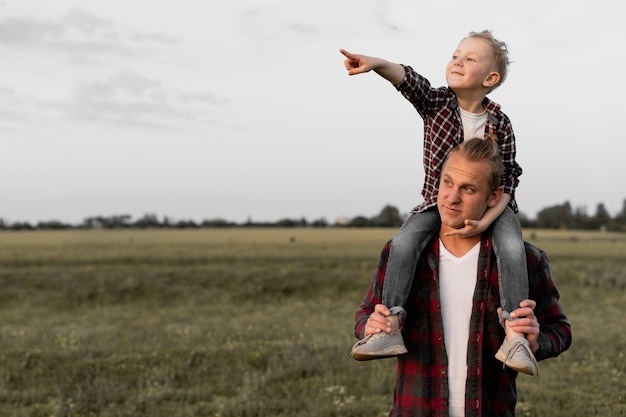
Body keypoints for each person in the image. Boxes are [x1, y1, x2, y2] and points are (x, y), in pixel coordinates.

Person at [341, 30, 533, 373]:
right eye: (456, 55)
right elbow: (408, 81)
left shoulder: (500, 123)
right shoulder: (437, 104)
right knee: (403, 243)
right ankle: (390, 327)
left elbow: (509, 180)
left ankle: (515, 335)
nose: (457, 61)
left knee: (512, 247)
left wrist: (486, 221)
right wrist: (376, 64)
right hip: (436, 202)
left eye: (469, 58)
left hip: (493, 207)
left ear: (491, 78)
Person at [352, 137, 572, 417]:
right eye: (447, 182)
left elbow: (561, 329)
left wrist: (535, 341)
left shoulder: (526, 261)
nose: (452, 197)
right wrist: (370, 325)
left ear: (493, 197)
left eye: (468, 188)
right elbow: (364, 314)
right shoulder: (401, 255)